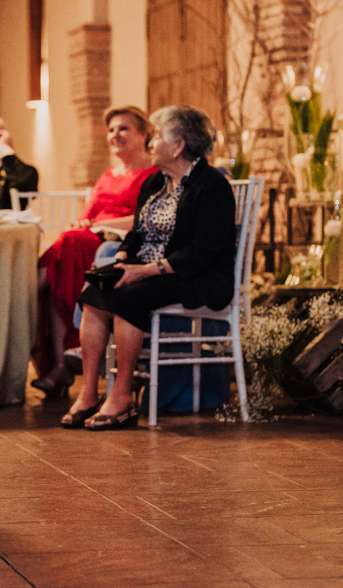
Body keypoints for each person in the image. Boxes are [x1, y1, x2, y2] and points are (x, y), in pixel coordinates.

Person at [67, 105, 236, 430]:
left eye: (158, 136)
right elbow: (138, 233)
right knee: (93, 294)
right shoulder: (156, 182)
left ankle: (122, 397)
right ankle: (89, 394)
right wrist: (123, 257)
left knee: (130, 297)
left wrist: (145, 270)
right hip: (148, 270)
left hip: (193, 276)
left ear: (179, 145)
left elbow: (204, 252)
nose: (152, 143)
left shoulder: (211, 185)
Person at [31, 106, 157, 399]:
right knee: (65, 251)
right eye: (111, 130)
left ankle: (63, 362)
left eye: (123, 128)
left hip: (121, 244)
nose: (115, 135)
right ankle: (63, 359)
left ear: (143, 134)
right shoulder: (108, 174)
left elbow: (145, 217)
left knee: (64, 254)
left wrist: (99, 223)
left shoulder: (152, 173)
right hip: (91, 240)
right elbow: (86, 216)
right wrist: (87, 222)